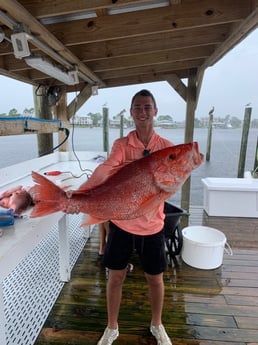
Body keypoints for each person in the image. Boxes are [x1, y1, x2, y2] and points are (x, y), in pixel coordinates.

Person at [84, 89, 174, 345]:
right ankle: (112, 327)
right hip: (122, 223)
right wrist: (86, 190)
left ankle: (157, 323)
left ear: (155, 111)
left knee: (155, 278)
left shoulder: (166, 147)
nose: (142, 111)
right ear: (131, 112)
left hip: (153, 226)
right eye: (137, 107)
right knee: (115, 276)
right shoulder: (122, 145)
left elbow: (171, 183)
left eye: (147, 106)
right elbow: (109, 166)